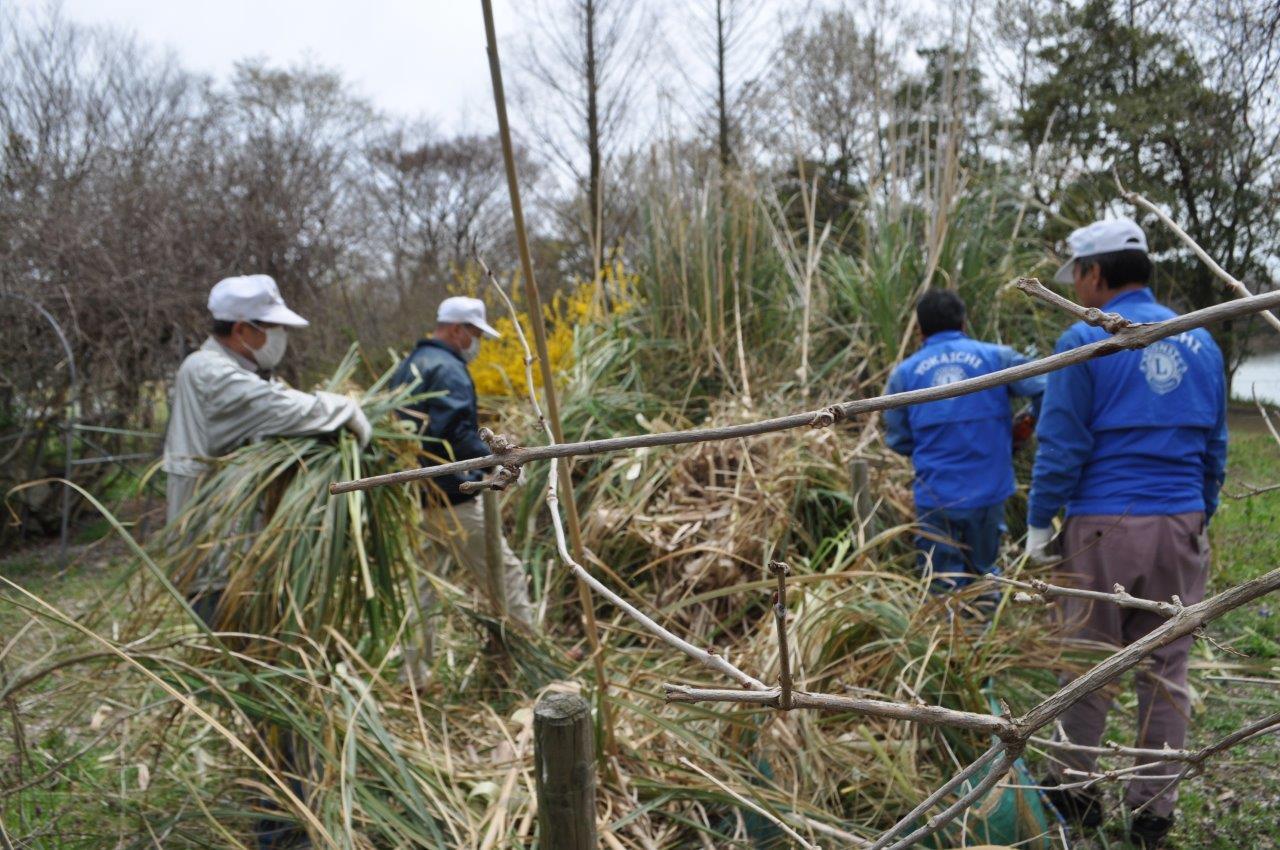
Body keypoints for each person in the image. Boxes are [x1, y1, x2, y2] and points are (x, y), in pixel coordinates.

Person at [1026, 218, 1227, 848]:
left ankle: (1074, 794)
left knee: (1086, 661)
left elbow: (1061, 445)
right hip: (1179, 521)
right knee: (1167, 672)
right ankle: (1152, 813)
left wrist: (1039, 525)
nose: (1078, 287)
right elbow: (1214, 447)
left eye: (1078, 275)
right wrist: (1197, 514)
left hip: (1100, 529)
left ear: (1094, 274)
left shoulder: (1084, 340)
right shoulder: (1199, 341)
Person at [163, 274, 371, 624]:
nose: (282, 337)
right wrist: (345, 410)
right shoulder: (209, 373)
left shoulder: (247, 371)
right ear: (243, 330)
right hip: (216, 553)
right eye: (274, 327)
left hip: (244, 546)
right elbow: (284, 409)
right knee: (239, 653)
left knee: (262, 646)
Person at [390, 296, 535, 677]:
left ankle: (412, 676)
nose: (477, 343)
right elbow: (455, 432)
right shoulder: (449, 369)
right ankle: (530, 659)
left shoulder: (408, 366)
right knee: (505, 573)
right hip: (453, 499)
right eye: (475, 334)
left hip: (416, 499)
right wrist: (502, 458)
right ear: (457, 330)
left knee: (422, 587)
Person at [885, 289, 1046, 601]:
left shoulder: (903, 375)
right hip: (989, 494)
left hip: (935, 497)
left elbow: (898, 439)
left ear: (919, 330)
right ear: (964, 323)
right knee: (985, 576)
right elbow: (1048, 386)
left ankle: (945, 643)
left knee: (940, 583)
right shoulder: (997, 358)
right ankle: (987, 642)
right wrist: (1027, 423)